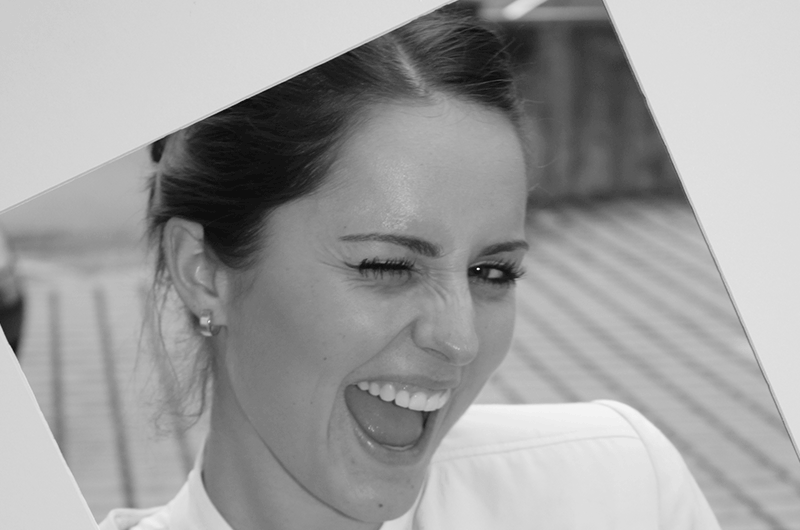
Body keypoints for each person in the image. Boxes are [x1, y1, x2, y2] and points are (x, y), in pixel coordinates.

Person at [100, 6, 720, 530]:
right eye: (387, 265)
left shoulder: (620, 492)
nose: (460, 339)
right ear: (204, 273)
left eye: (492, 273)